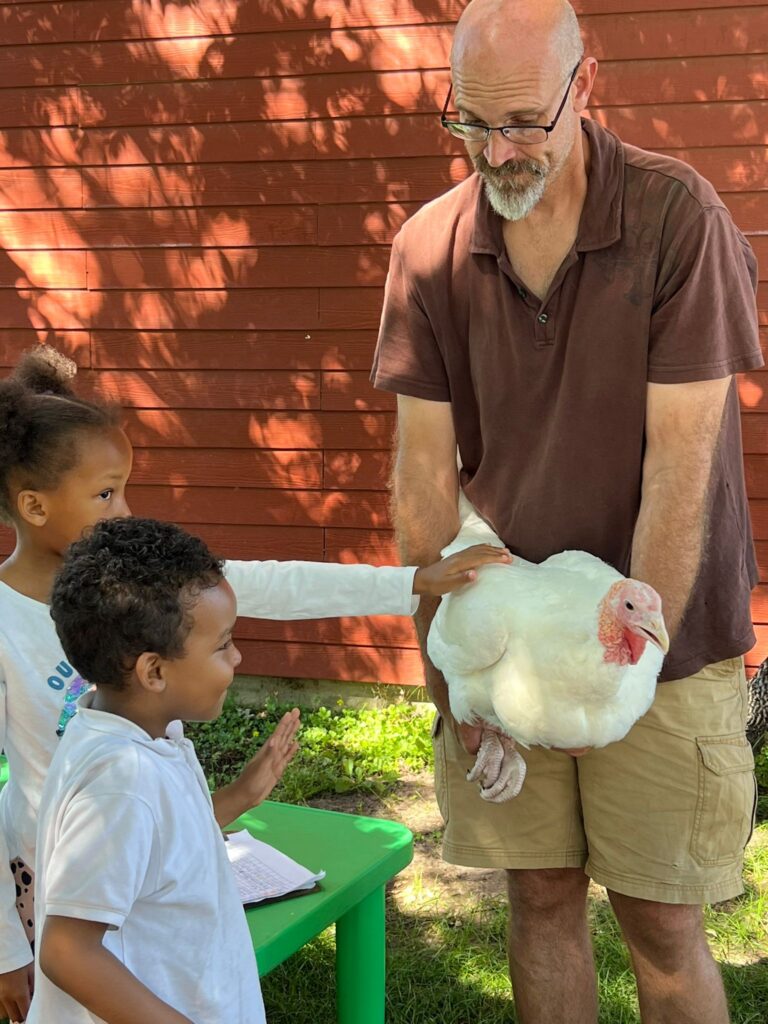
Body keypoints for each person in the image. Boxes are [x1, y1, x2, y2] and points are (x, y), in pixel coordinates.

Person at [370, 1, 761, 1022]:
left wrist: (610, 679)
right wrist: (455, 669)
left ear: (584, 86)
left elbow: (682, 466)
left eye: (522, 123)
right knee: (540, 897)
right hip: (502, 637)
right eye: (471, 122)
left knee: (659, 918)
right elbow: (423, 474)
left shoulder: (678, 220)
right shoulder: (428, 248)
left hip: (656, 640)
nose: (497, 153)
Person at [0, 345, 509, 1023]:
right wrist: (6, 948)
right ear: (34, 506)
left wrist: (412, 582)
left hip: (153, 870)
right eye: (104, 493)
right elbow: (69, 946)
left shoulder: (144, 586)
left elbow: (278, 582)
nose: (124, 510)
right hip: (51, 879)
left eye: (123, 487)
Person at [29, 516, 291, 1023]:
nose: (237, 656)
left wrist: (241, 795)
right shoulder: (121, 782)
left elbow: (161, 846)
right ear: (154, 671)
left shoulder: (143, 733)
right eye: (223, 644)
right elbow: (67, 950)